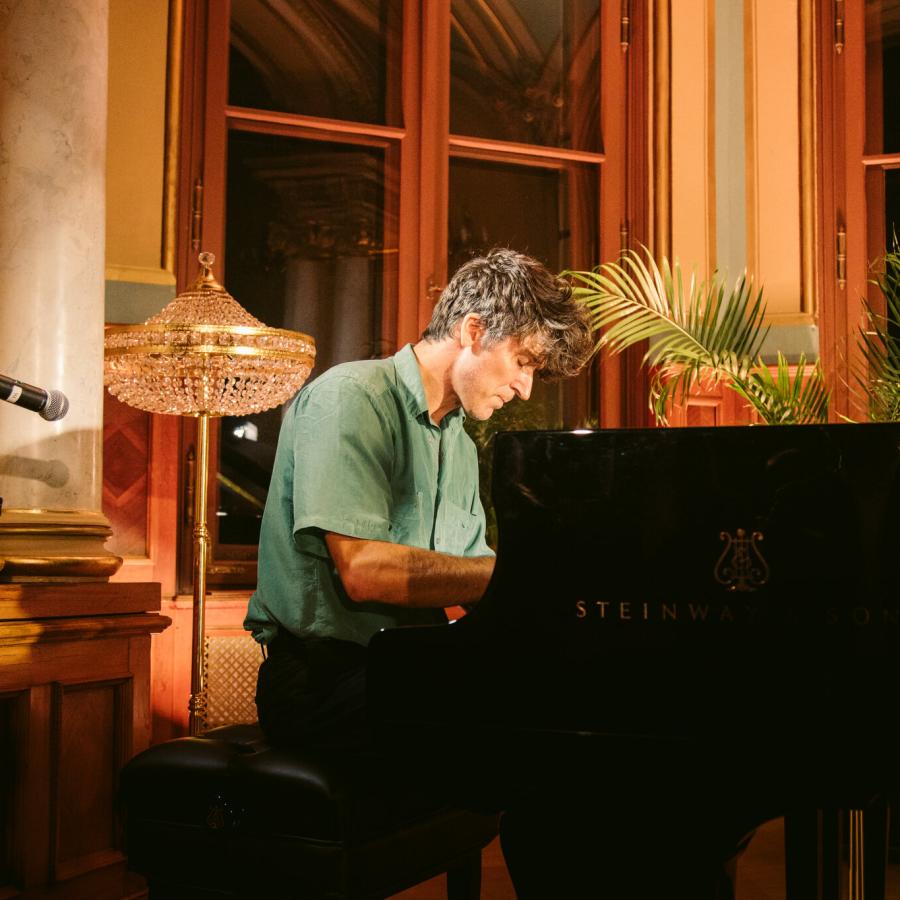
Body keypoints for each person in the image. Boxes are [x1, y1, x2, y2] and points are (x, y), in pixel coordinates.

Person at [244, 247, 593, 750]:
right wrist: (519, 576)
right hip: (319, 681)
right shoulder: (351, 397)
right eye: (522, 362)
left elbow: (474, 585)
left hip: (409, 663)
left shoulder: (460, 445)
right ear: (473, 330)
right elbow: (364, 571)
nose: (525, 389)